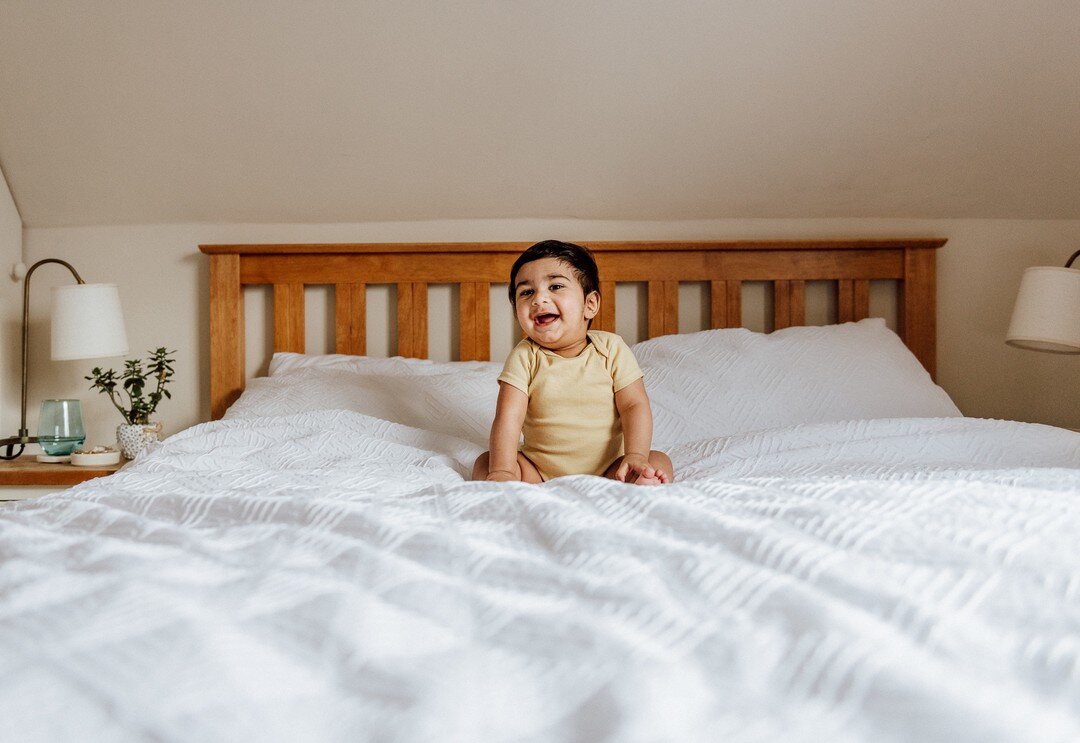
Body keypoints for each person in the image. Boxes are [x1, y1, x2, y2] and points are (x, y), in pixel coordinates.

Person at [471, 240, 674, 485]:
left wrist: (635, 455)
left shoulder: (611, 348)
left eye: (555, 286)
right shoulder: (524, 356)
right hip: (538, 471)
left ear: (590, 304)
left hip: (611, 470)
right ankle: (506, 486)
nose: (538, 299)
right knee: (487, 461)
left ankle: (641, 481)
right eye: (526, 292)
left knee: (658, 459)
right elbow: (508, 417)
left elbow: (634, 405)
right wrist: (503, 470)